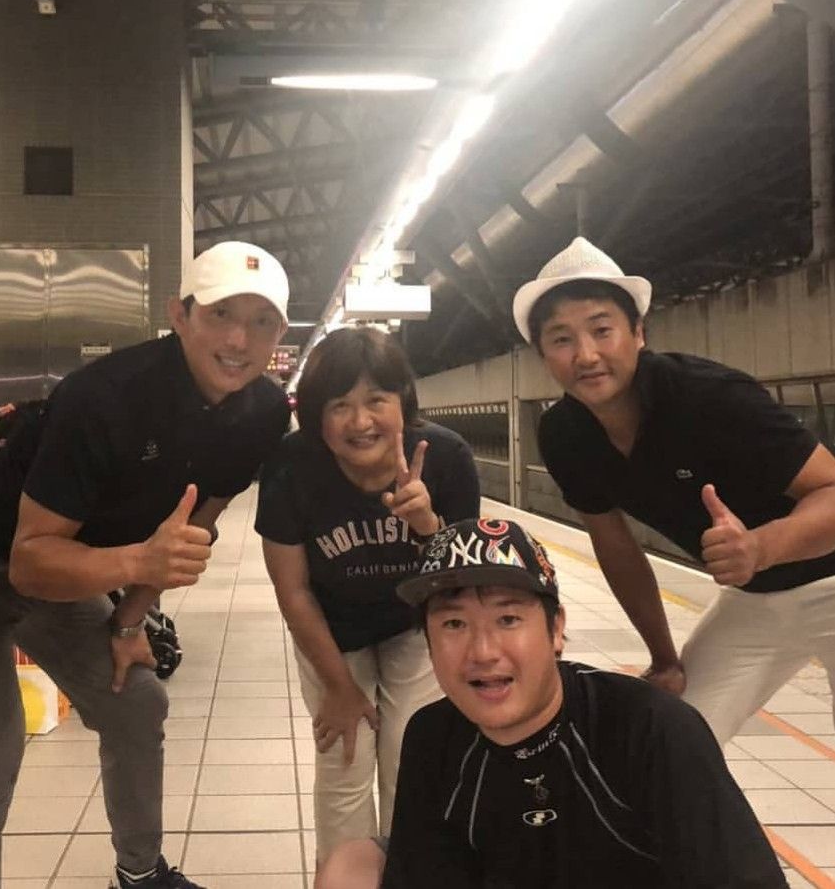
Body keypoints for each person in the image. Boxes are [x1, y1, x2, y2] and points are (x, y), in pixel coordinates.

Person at [0, 241, 291, 889]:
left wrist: (130, 623)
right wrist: (137, 559)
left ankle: (140, 874)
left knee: (136, 703)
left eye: (262, 321)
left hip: (64, 563)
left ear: (280, 334)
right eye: (221, 314)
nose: (239, 340)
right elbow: (29, 564)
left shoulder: (262, 412)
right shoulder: (106, 397)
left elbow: (192, 524)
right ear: (180, 315)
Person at [318, 518, 788, 889]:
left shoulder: (648, 727)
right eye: (454, 624)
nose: (483, 651)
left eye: (507, 618)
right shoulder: (432, 735)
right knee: (349, 867)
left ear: (556, 628)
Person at [511, 236, 835, 744]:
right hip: (755, 598)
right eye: (562, 339)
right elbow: (615, 546)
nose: (587, 355)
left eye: (602, 330)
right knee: (675, 740)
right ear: (543, 355)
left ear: (638, 332)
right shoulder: (564, 435)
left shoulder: (708, 396)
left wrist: (761, 547)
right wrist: (664, 659)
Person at [256, 327, 480, 865]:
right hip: (331, 628)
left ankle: (412, 874)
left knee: (414, 756)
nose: (360, 422)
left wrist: (428, 526)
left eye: (376, 400)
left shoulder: (447, 457)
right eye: (340, 406)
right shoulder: (292, 465)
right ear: (316, 416)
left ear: (404, 402)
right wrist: (339, 687)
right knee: (344, 761)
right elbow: (293, 589)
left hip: (416, 625)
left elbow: (465, 581)